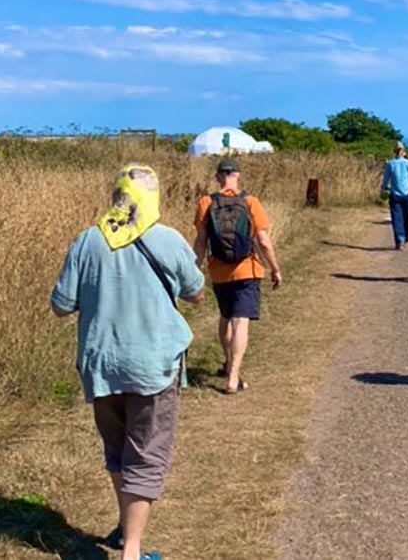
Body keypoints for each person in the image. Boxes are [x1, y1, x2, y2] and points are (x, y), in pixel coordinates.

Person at [51, 164, 205, 560]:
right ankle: (132, 550)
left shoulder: (86, 241)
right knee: (147, 454)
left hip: (102, 366)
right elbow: (196, 292)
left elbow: (61, 305)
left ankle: (124, 530)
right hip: (153, 366)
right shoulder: (167, 239)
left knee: (117, 450)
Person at [193, 157, 283, 395]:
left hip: (218, 270)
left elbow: (201, 242)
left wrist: (194, 274)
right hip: (248, 268)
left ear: (217, 176)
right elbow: (262, 241)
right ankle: (233, 377)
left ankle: (227, 362)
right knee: (240, 321)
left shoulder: (205, 202)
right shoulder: (250, 202)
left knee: (225, 317)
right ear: (238, 175)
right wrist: (274, 267)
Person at [380, 142, 408, 249]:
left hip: (395, 193)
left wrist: (383, 189)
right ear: (404, 151)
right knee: (407, 217)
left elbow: (386, 179)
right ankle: (406, 236)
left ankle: (400, 239)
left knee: (396, 218)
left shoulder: (390, 164)